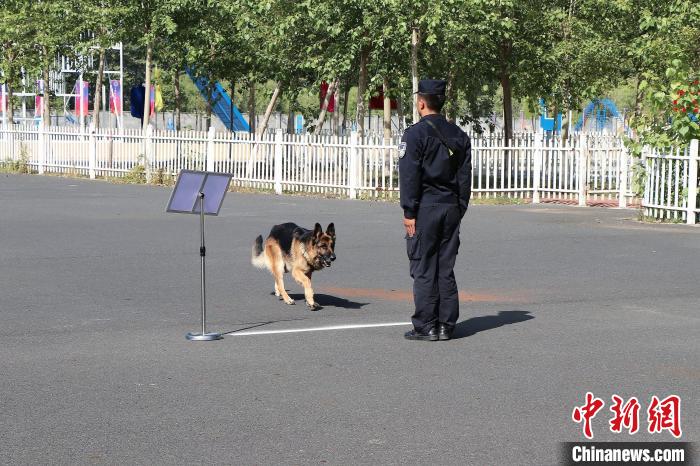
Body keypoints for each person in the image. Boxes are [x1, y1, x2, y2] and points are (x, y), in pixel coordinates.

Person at [399, 79, 472, 341]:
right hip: (451, 206)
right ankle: (445, 325)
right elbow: (465, 178)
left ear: (421, 103)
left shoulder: (414, 135)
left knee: (423, 264)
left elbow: (409, 176)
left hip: (426, 208)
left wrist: (409, 212)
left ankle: (426, 325)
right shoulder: (459, 135)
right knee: (445, 265)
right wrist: (459, 207)